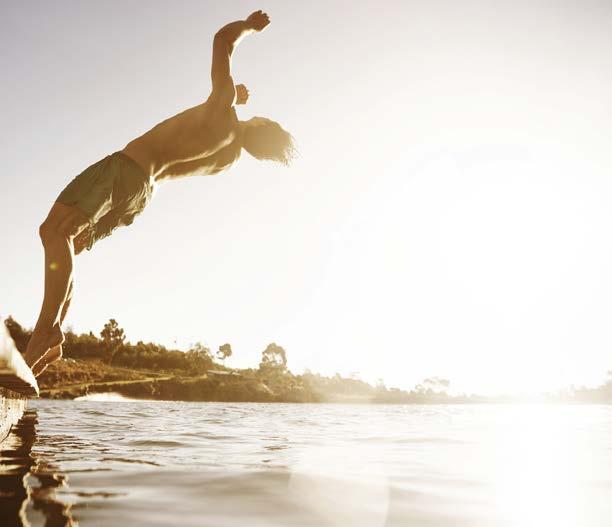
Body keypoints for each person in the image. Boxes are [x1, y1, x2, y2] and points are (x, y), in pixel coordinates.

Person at [24, 10, 295, 377]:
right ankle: (49, 342)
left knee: (54, 232)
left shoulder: (223, 107)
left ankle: (45, 331)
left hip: (126, 170)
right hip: (140, 197)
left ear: (261, 122)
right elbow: (193, 142)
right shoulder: (229, 159)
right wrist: (230, 105)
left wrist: (248, 26)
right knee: (67, 244)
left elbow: (222, 40)